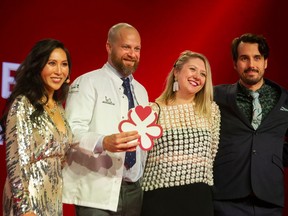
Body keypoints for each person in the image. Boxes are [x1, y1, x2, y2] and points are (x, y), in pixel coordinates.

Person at [62, 23, 149, 216]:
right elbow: (70, 132)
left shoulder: (141, 91)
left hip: (133, 190)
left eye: (137, 49)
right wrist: (103, 142)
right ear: (109, 47)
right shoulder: (88, 82)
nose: (132, 54)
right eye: (126, 47)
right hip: (96, 188)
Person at [213, 33, 288, 216]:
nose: (251, 65)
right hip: (226, 196)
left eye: (257, 58)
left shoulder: (284, 99)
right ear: (235, 63)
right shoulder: (217, 96)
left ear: (265, 62)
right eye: (244, 58)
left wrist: (273, 156)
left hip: (269, 197)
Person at [141, 50, 220, 216]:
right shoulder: (153, 110)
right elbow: (141, 159)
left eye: (203, 74)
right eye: (192, 69)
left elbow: (211, 154)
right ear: (176, 72)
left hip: (198, 198)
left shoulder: (211, 111)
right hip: (159, 198)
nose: (197, 76)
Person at [1, 39, 73, 216]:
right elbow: (15, 162)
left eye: (64, 64)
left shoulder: (58, 107)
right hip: (27, 201)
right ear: (38, 66)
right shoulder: (23, 104)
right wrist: (25, 210)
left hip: (53, 199)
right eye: (52, 63)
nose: (59, 71)